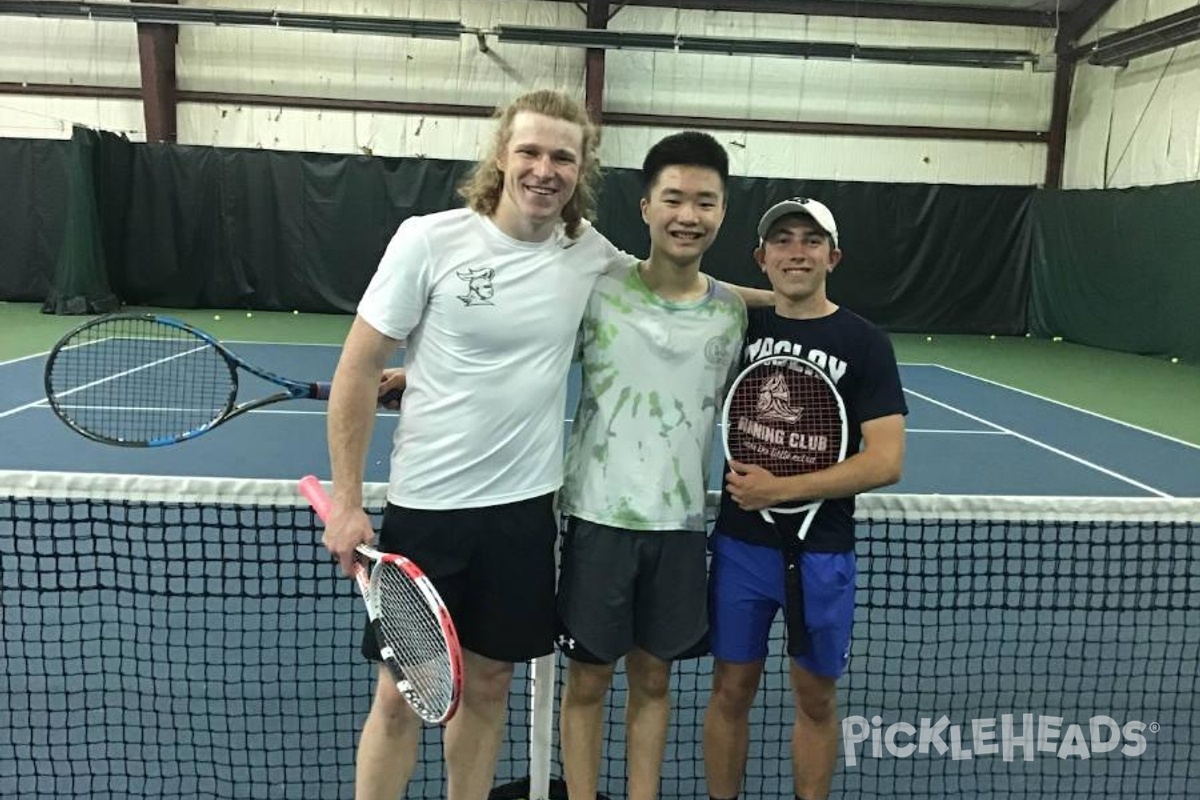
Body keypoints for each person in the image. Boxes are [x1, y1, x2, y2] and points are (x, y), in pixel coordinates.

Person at [321, 89, 629, 800]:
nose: (544, 169)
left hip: (523, 514)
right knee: (401, 697)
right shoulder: (429, 239)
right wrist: (347, 502)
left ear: (582, 170)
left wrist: (789, 298)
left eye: (562, 156)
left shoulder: (587, 253)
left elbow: (673, 285)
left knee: (489, 687)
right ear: (501, 156)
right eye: (530, 151)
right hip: (428, 509)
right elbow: (357, 370)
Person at [555, 131, 746, 800]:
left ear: (722, 212)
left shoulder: (731, 313)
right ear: (645, 207)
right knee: (588, 681)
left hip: (680, 527)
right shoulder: (599, 288)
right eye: (673, 199)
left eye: (704, 202)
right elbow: (525, 352)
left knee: (656, 681)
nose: (687, 215)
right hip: (597, 516)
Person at [703, 197, 907, 800]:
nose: (797, 251)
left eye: (811, 241)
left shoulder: (865, 342)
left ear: (833, 256)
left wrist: (781, 489)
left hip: (823, 552)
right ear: (761, 258)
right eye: (783, 240)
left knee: (816, 698)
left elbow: (886, 460)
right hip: (743, 547)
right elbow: (687, 284)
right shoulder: (736, 326)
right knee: (730, 689)